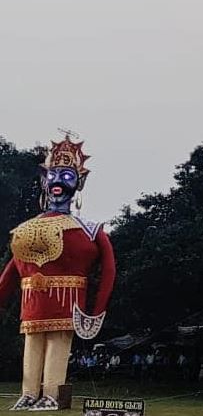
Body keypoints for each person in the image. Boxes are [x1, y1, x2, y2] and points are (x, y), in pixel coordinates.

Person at [0, 136, 116, 411]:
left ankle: (51, 393)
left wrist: (97, 309)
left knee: (57, 346)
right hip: (32, 303)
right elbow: (11, 273)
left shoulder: (90, 229)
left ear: (79, 183)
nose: (58, 183)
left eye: (67, 176)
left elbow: (109, 270)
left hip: (67, 302)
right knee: (32, 346)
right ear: (44, 181)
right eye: (53, 175)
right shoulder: (25, 230)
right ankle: (29, 392)